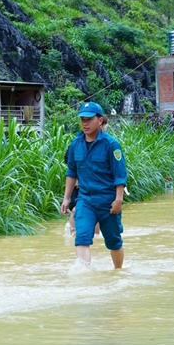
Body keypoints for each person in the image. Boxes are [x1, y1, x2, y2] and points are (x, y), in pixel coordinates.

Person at [60, 102, 127, 269]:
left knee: (114, 242)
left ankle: (118, 272)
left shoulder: (111, 145)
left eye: (89, 119)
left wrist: (118, 199)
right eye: (82, 119)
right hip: (85, 200)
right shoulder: (76, 144)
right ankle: (84, 276)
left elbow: (120, 175)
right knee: (81, 237)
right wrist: (66, 198)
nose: (85, 123)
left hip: (108, 201)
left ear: (100, 120)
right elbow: (71, 172)